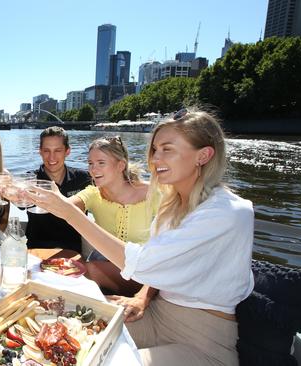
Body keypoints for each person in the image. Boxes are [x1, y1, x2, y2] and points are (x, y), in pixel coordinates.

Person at [26, 108, 254, 366]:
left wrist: (68, 212)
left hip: (203, 341)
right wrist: (140, 299)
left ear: (203, 155)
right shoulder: (173, 205)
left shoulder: (230, 212)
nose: (155, 158)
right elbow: (159, 267)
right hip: (156, 314)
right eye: (155, 149)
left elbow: (145, 264)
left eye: (167, 149)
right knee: (61, 333)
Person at [71, 136, 159, 296]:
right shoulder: (92, 193)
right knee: (79, 268)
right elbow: (67, 206)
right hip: (102, 262)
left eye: (101, 163)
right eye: (90, 163)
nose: (93, 169)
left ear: (120, 165)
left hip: (140, 265)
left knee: (88, 269)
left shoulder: (151, 192)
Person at [25, 126, 91, 253]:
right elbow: (19, 202)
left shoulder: (83, 178)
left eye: (58, 151)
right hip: (36, 251)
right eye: (46, 151)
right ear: (40, 151)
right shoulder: (30, 179)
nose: (52, 157)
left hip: (71, 252)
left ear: (67, 151)